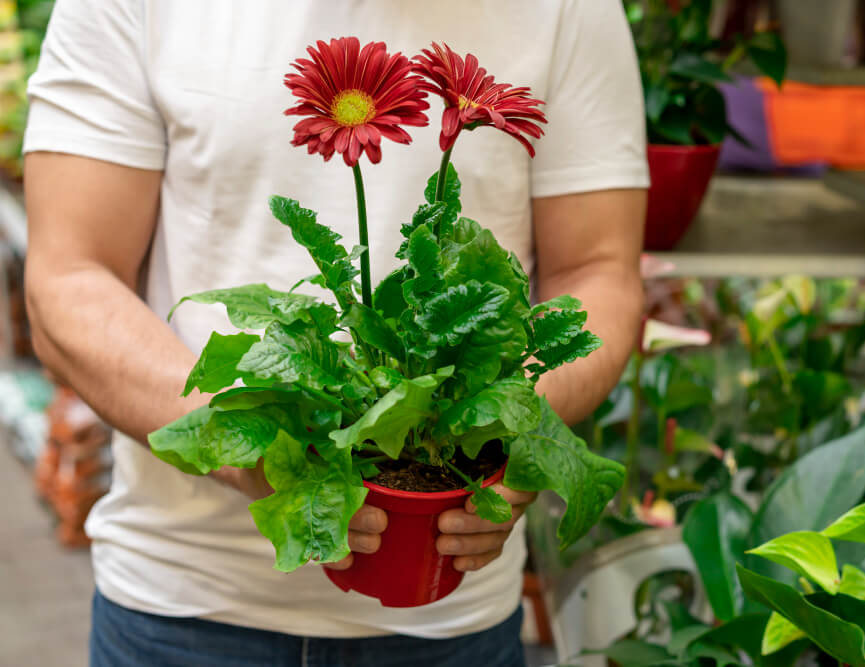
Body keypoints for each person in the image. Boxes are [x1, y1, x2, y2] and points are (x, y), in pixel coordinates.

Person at [22, 1, 648, 665]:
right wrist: (254, 447)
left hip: (451, 618)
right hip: (183, 605)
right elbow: (67, 281)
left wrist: (507, 430)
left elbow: (600, 272)